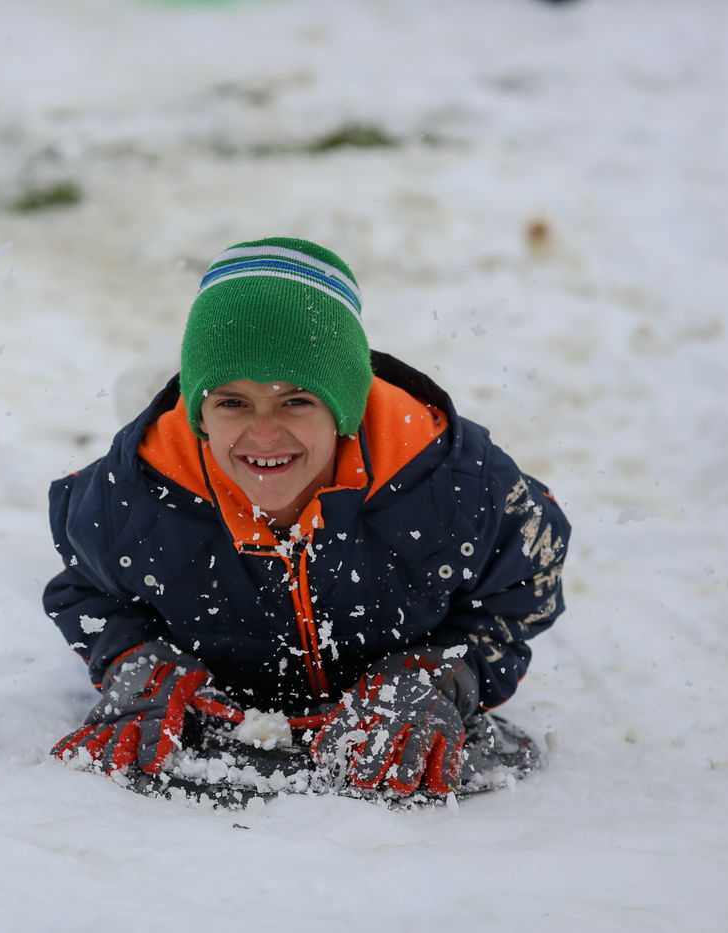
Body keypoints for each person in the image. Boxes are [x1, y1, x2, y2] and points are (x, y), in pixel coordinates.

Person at [45, 237, 569, 799]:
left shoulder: (451, 483)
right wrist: (132, 657)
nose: (264, 434)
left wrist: (446, 671)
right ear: (200, 412)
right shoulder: (135, 497)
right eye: (232, 402)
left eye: (295, 401)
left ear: (342, 405)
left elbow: (524, 584)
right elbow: (88, 593)